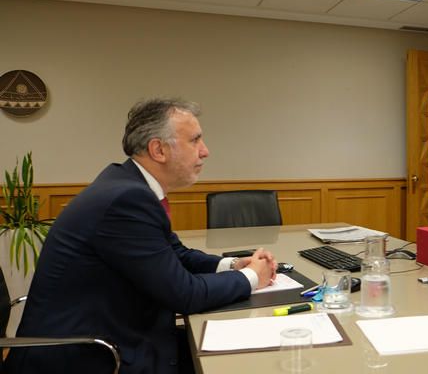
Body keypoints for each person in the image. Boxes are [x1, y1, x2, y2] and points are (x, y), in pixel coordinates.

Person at [5, 98, 278, 374]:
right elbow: (184, 295)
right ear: (158, 149)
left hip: (113, 333)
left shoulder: (128, 185)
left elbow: (176, 254)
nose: (205, 151)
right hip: (90, 357)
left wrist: (231, 265)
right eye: (195, 141)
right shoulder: (127, 199)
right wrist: (253, 277)